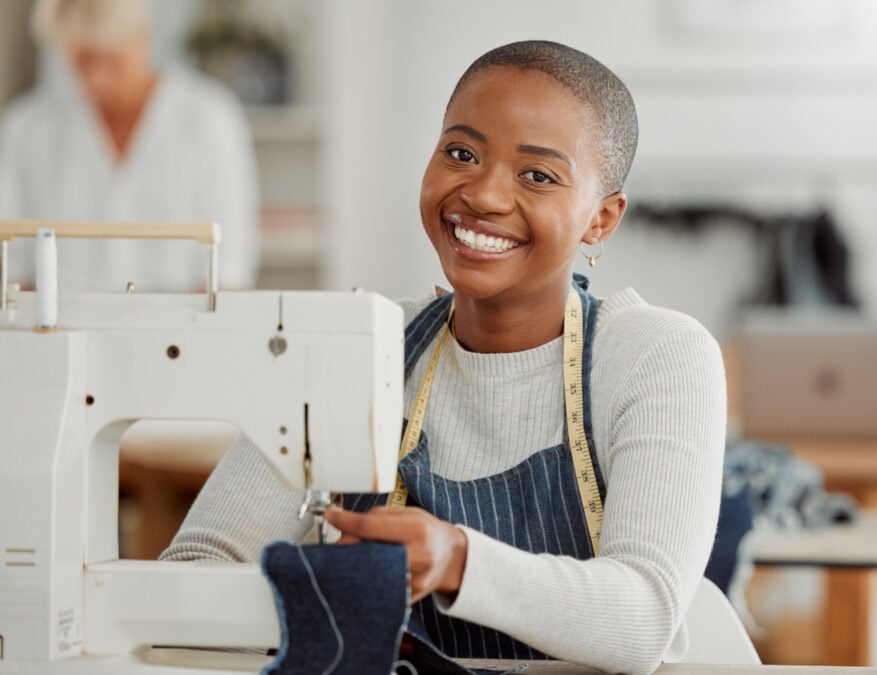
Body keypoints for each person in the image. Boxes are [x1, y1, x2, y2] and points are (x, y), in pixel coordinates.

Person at [161, 40, 726, 674]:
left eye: (537, 175)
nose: (483, 195)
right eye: (461, 153)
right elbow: (199, 566)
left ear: (602, 218)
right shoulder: (354, 349)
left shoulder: (657, 357)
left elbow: (644, 619)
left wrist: (456, 560)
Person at [0, 0, 259, 292]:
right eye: (82, 60)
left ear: (142, 38)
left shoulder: (211, 120)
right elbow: (12, 269)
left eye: (111, 59)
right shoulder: (26, 130)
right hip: (57, 333)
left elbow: (228, 269)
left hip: (179, 332)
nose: (97, 77)